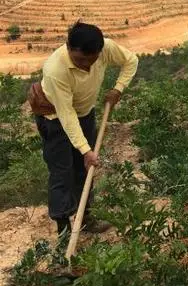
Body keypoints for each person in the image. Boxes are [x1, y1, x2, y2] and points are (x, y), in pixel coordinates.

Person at [28, 21, 138, 239]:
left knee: (83, 170)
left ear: (99, 51)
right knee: (62, 172)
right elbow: (66, 115)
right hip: (55, 119)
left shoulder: (106, 48)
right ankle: (64, 232)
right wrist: (86, 149)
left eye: (92, 59)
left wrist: (118, 89)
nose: (85, 65)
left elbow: (131, 61)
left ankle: (86, 218)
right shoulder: (55, 69)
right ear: (68, 48)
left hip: (85, 114)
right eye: (79, 60)